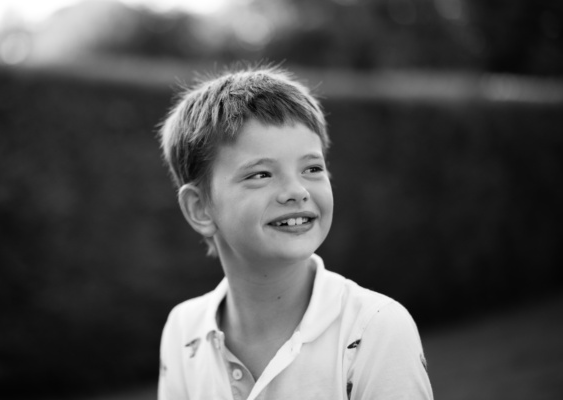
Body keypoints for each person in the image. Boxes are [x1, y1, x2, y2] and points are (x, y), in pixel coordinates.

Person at [157, 65, 433, 400]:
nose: (296, 190)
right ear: (200, 208)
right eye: (260, 174)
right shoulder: (183, 331)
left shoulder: (375, 327)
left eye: (312, 168)